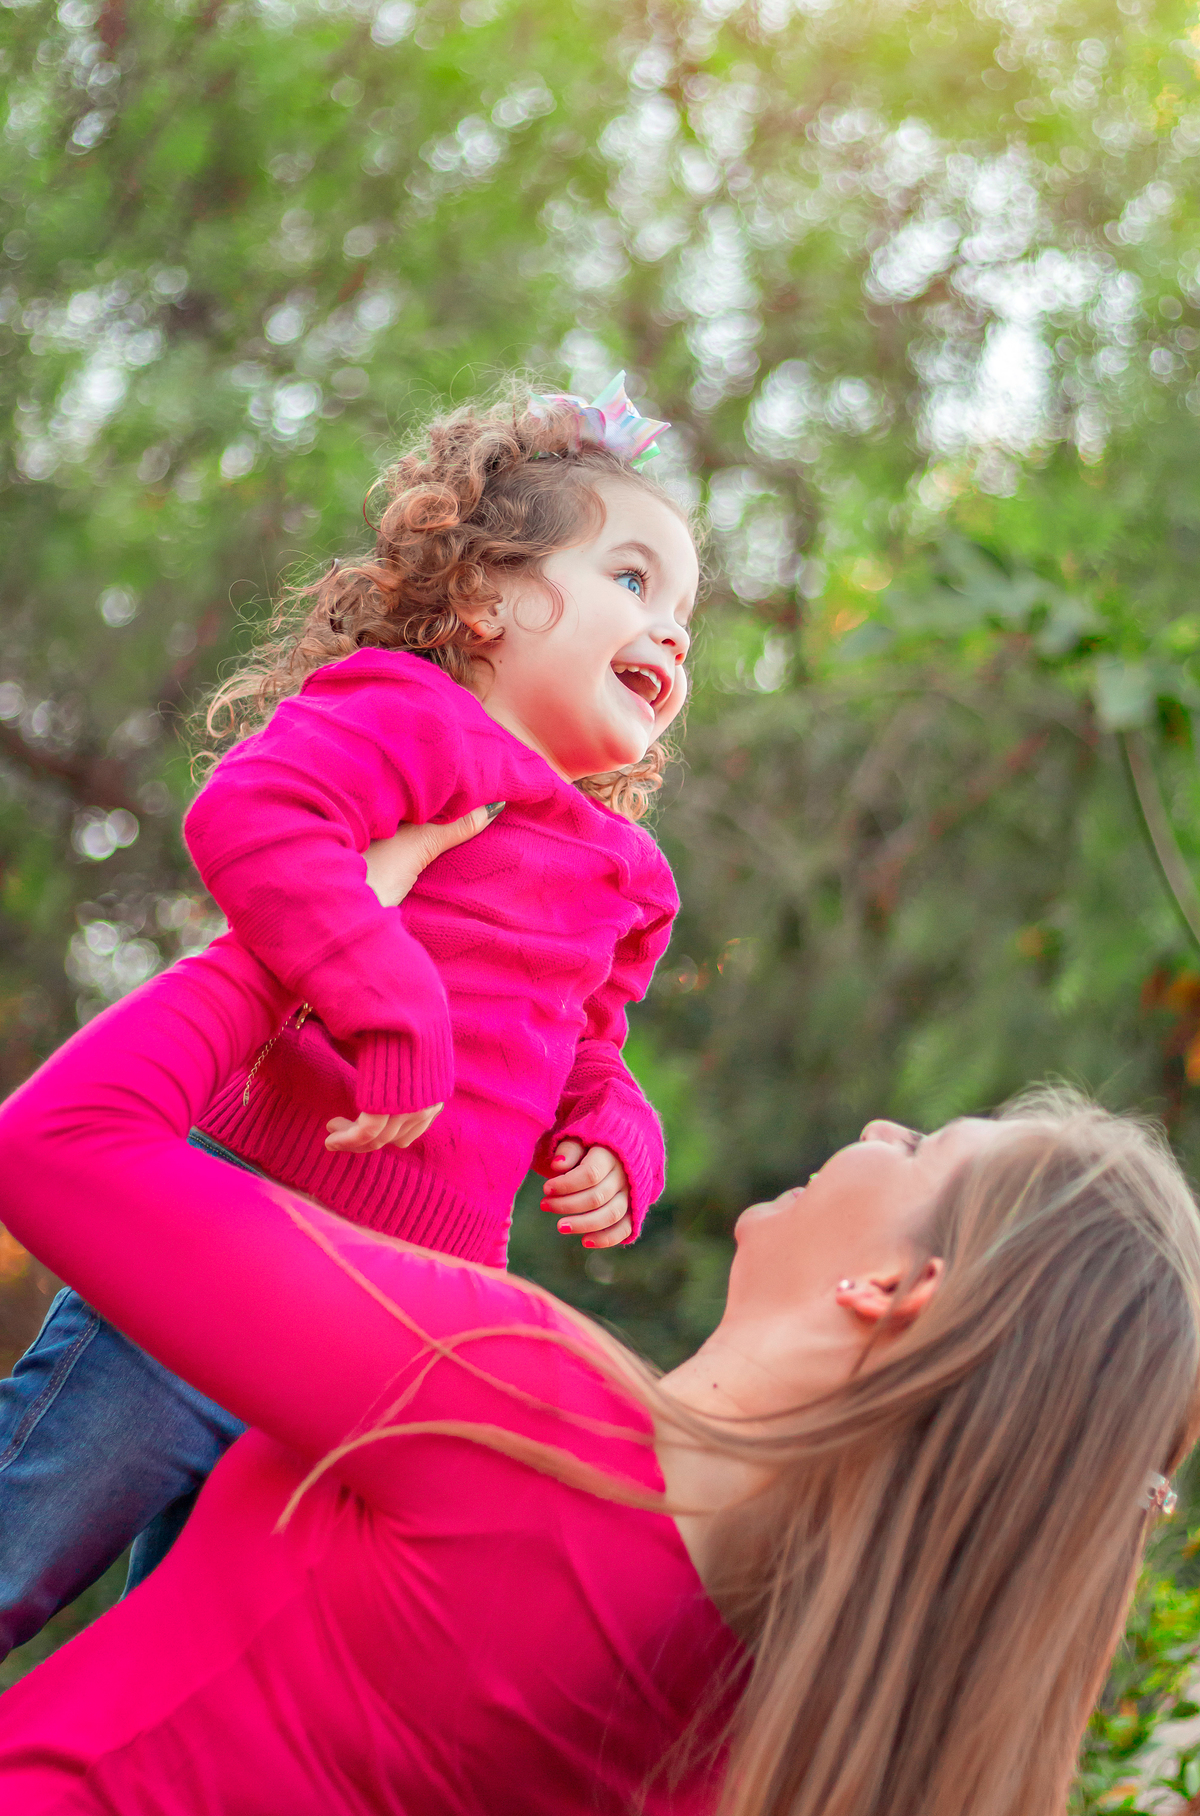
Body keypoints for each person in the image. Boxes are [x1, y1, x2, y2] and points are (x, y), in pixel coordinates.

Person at [0, 833, 1197, 1816]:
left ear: (898, 1290)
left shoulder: (514, 1401)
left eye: (928, 1149)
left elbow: (60, 1145)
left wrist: (318, 929)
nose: (883, 1130)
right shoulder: (783, 1739)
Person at [0, 375, 699, 1658]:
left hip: (389, 1329)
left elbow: (586, 1053)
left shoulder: (626, 874)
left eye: (690, 622)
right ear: (486, 597)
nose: (673, 636)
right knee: (17, 1559)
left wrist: (616, 1142)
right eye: (636, 582)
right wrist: (387, 994)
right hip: (219, 1237)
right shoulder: (406, 713)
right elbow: (252, 819)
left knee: (187, 1664)